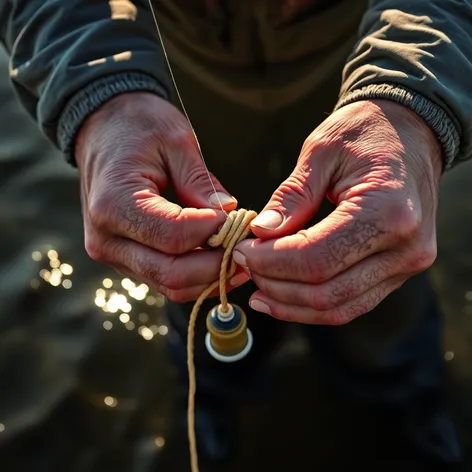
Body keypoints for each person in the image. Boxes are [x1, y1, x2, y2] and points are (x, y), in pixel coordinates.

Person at [1, 0, 472, 467]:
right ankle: (211, 401)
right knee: (200, 291)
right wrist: (100, 92)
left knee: (382, 293)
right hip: (180, 74)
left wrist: (413, 103)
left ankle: (405, 398)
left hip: (358, 54)